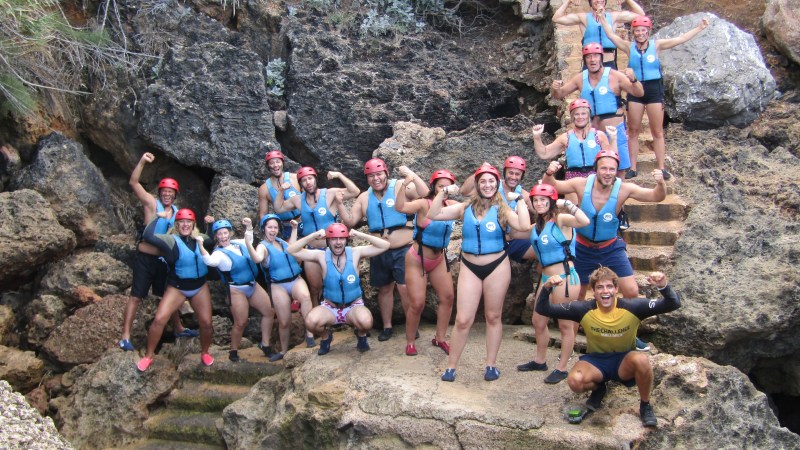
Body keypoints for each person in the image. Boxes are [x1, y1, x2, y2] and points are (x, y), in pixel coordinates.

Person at [543, 149, 665, 352]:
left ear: (617, 171)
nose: (608, 172)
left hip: (610, 246)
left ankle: (629, 336)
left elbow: (656, 196)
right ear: (596, 169)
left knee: (632, 291)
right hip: (582, 246)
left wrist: (661, 182)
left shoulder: (624, 188)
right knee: (578, 295)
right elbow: (553, 187)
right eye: (604, 168)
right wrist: (549, 173)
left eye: (612, 169)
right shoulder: (582, 184)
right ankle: (570, 344)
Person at [535, 266, 680, 426]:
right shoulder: (583, 308)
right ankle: (598, 389)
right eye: (600, 287)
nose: (605, 291)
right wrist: (547, 287)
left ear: (617, 289)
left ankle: (645, 405)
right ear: (594, 291)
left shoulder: (633, 307)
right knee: (575, 381)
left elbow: (673, 303)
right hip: (596, 362)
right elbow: (543, 309)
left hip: (624, 361)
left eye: (609, 286)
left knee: (642, 360)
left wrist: (663, 286)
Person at [429, 164, 530, 382]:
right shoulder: (464, 208)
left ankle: (491, 365)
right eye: (482, 181)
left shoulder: (503, 209)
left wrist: (520, 199)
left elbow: (523, 225)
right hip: (470, 266)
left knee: (493, 316)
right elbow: (433, 213)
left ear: (497, 183)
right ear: (476, 184)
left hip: (497, 265)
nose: (487, 185)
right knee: (463, 319)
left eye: (491, 181)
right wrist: (444, 192)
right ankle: (451, 366)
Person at [598, 15, 710, 179]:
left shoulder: (656, 45)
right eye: (637, 31)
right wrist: (602, 19)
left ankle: (661, 167)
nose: (640, 33)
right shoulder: (629, 47)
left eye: (643, 30)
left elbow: (680, 39)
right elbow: (611, 35)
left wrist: (699, 28)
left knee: (657, 131)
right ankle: (632, 167)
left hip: (653, 89)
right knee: (633, 130)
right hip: (635, 88)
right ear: (633, 32)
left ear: (648, 31)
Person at [119, 152, 196, 352]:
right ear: (160, 192)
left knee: (168, 295)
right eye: (165, 191)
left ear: (175, 194)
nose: (167, 194)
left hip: (164, 261)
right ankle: (125, 336)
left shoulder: (178, 213)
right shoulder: (152, 204)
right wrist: (142, 161)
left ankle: (178, 327)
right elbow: (134, 182)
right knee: (136, 296)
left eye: (171, 192)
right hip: (146, 258)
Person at [338, 159, 421, 342]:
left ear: (386, 174)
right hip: (378, 249)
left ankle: (411, 324)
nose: (376, 179)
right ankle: (387, 326)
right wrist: (339, 204)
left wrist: (411, 175)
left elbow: (423, 196)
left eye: (379, 174)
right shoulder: (364, 197)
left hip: (403, 248)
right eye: (371, 176)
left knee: (404, 287)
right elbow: (351, 222)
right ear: (367, 178)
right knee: (384, 289)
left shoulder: (400, 185)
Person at [516, 183, 589, 384]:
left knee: (565, 325)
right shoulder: (537, 226)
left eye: (543, 200)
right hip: (546, 278)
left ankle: (562, 367)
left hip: (565, 277)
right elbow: (517, 232)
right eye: (536, 200)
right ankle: (540, 360)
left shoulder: (561, 219)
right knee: (538, 321)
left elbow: (584, 221)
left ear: (551, 201)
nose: (539, 203)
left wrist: (566, 203)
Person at [287, 223, 390, 355]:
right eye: (333, 239)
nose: (338, 243)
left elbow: (385, 245)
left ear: (346, 239)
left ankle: (361, 335)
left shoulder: (355, 253)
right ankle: (326, 337)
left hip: (353, 306)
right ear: (328, 241)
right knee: (311, 322)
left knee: (366, 322)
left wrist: (359, 234)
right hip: (330, 307)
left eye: (341, 238)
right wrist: (313, 236)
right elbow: (291, 250)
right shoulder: (321, 256)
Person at [136, 208, 214, 371]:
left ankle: (205, 352)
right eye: (181, 222)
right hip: (178, 287)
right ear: (177, 225)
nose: (185, 225)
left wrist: (210, 225)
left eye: (188, 222)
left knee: (206, 322)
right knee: (159, 319)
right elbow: (148, 236)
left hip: (199, 286)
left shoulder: (201, 238)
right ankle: (148, 356)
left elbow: (212, 240)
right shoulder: (171, 240)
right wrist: (158, 218)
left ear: (193, 224)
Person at [551, 43, 645, 176]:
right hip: (593, 134)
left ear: (601, 58)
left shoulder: (615, 76)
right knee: (597, 171)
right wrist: (555, 88)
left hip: (614, 129)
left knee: (619, 170)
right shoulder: (580, 78)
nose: (592, 60)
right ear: (584, 60)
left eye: (595, 56)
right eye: (588, 57)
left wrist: (634, 79)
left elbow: (639, 93)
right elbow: (560, 94)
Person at [273, 167, 360, 308]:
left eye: (310, 178)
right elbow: (279, 208)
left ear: (315, 179)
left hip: (333, 249)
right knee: (314, 288)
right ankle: (318, 316)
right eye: (304, 180)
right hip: (312, 249)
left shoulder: (329, 194)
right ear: (300, 184)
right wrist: (282, 191)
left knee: (338, 284)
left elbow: (354, 191)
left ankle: (341, 315)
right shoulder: (297, 200)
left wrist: (339, 175)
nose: (308, 182)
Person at [395, 168, 459, 356]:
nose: (444, 190)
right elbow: (400, 208)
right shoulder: (424, 204)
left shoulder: (453, 204)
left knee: (448, 298)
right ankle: (410, 341)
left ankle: (440, 338)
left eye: (448, 187)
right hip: (418, 257)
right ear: (433, 187)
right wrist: (405, 184)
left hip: (439, 257)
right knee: (417, 303)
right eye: (441, 187)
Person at [198, 218, 278, 362]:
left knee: (269, 312)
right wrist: (200, 245)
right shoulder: (218, 254)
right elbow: (210, 261)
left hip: (252, 285)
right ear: (216, 236)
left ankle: (265, 344)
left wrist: (249, 226)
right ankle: (233, 351)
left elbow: (249, 238)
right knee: (241, 322)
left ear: (230, 233)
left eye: (225, 233)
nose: (223, 236)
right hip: (236, 290)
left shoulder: (239, 243)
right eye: (219, 234)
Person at [244, 214, 317, 353]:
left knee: (305, 298)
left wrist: (294, 229)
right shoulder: (262, 247)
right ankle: (283, 351)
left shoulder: (281, 241)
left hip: (295, 279)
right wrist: (248, 242)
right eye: (269, 227)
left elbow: (292, 247)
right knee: (284, 322)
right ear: (264, 229)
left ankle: (310, 335)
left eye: (275, 227)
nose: (272, 230)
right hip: (278, 285)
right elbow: (258, 258)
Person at [461, 156, 535, 263]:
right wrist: (481, 171)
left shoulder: (524, 195)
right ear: (504, 172)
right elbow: (464, 191)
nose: (513, 177)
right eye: (510, 173)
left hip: (512, 239)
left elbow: (541, 212)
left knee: (544, 248)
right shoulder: (491, 185)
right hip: (489, 237)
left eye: (517, 174)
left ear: (522, 176)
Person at [532, 99, 618, 182]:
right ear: (572, 117)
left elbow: (612, 158)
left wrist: (613, 138)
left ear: (588, 116)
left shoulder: (599, 135)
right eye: (577, 114)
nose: (580, 117)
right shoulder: (565, 137)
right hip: (573, 178)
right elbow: (544, 153)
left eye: (583, 114)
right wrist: (536, 136)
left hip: (594, 176)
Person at [552, 0, 645, 69]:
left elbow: (641, 15)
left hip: (608, 62)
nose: (598, 1)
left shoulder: (613, 17)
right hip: (590, 62)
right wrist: (568, 1)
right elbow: (556, 18)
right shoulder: (583, 18)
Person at [258, 150, 301, 240]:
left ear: (282, 163)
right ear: (268, 166)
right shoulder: (264, 189)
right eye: (272, 163)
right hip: (286, 226)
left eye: (278, 162)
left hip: (303, 220)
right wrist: (267, 232)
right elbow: (263, 214)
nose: (275, 165)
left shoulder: (295, 178)